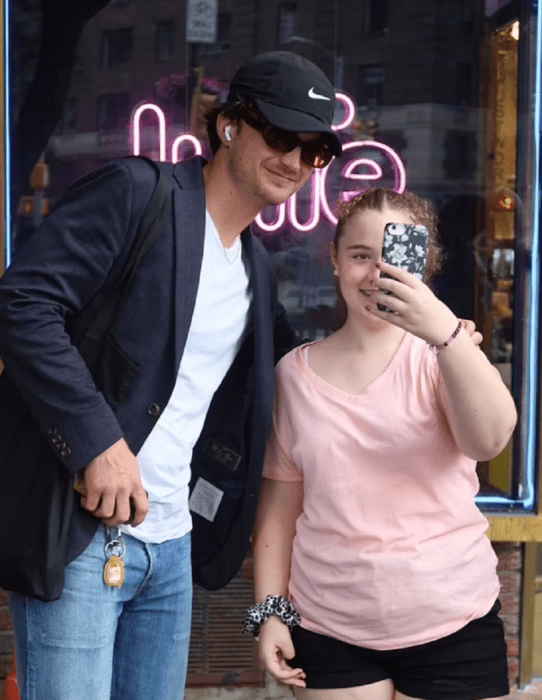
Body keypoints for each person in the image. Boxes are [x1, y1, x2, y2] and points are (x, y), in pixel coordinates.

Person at [0, 51, 343, 700]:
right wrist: (97, 444)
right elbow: (23, 306)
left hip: (173, 548)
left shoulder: (255, 268)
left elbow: (298, 379)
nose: (295, 163)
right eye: (280, 136)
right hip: (85, 534)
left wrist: (425, 352)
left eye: (314, 152)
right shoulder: (138, 194)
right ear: (231, 126)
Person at [250, 188, 517, 700]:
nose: (376, 273)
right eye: (360, 256)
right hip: (330, 627)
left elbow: (490, 440)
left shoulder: (446, 353)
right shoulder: (294, 375)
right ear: (334, 259)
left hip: (453, 619)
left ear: (426, 265)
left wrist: (446, 337)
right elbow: (280, 510)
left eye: (394, 259)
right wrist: (270, 615)